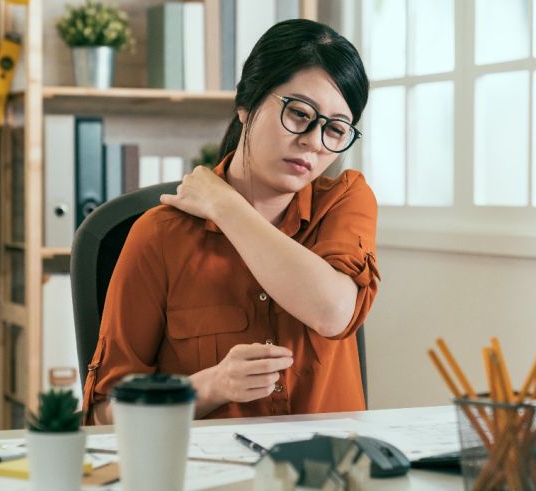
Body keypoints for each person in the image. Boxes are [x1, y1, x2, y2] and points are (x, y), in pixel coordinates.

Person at [82, 18, 379, 424]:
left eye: (337, 129)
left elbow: (332, 313)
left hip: (329, 477)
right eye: (298, 114)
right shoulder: (159, 235)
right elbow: (105, 413)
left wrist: (225, 205)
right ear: (246, 104)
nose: (313, 140)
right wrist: (211, 386)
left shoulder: (345, 201)